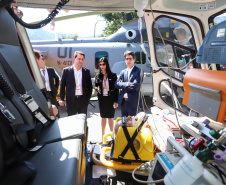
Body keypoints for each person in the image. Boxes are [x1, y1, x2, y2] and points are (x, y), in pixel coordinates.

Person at [59, 51, 92, 116]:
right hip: (71, 100)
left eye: (82, 59)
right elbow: (62, 86)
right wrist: (61, 98)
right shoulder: (66, 71)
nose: (81, 61)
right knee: (71, 120)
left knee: (83, 120)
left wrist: (87, 99)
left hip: (83, 100)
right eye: (79, 59)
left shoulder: (86, 71)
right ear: (74, 59)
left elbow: (90, 87)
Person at [95, 57, 119, 138]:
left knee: (110, 117)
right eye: (100, 64)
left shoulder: (113, 75)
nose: (102, 66)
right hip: (102, 99)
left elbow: (116, 89)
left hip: (110, 98)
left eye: (103, 64)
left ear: (106, 64)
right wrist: (97, 87)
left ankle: (112, 135)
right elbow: (95, 85)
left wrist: (116, 100)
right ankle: (103, 134)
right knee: (103, 117)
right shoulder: (98, 75)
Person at [34, 49, 60, 118]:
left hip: (52, 93)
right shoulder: (36, 72)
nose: (42, 61)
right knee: (48, 111)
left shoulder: (50, 70)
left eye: (42, 60)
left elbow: (57, 79)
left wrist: (55, 88)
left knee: (55, 111)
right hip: (43, 94)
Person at [115, 50, 142, 117]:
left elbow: (135, 87)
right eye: (126, 59)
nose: (128, 61)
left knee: (133, 125)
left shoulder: (138, 71)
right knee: (124, 124)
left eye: (130, 59)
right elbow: (116, 84)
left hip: (133, 103)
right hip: (123, 103)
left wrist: (122, 88)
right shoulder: (122, 72)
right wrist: (126, 84)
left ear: (134, 60)